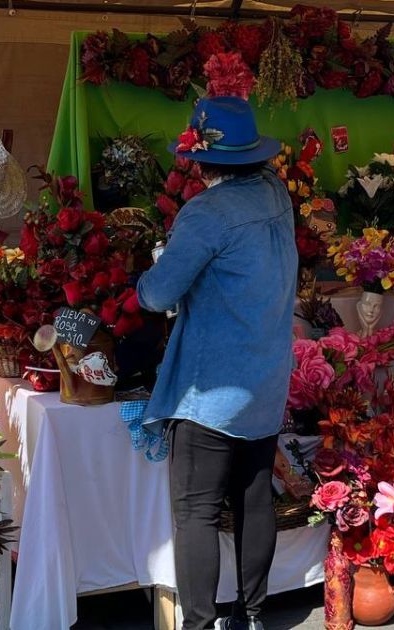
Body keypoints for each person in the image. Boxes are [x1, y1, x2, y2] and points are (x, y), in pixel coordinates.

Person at [136, 96, 297, 630]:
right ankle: (251, 616)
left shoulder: (206, 212)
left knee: (196, 512)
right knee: (254, 501)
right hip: (267, 376)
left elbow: (158, 295)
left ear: (200, 161)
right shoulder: (274, 191)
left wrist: (152, 269)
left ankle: (200, 624)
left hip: (212, 391)